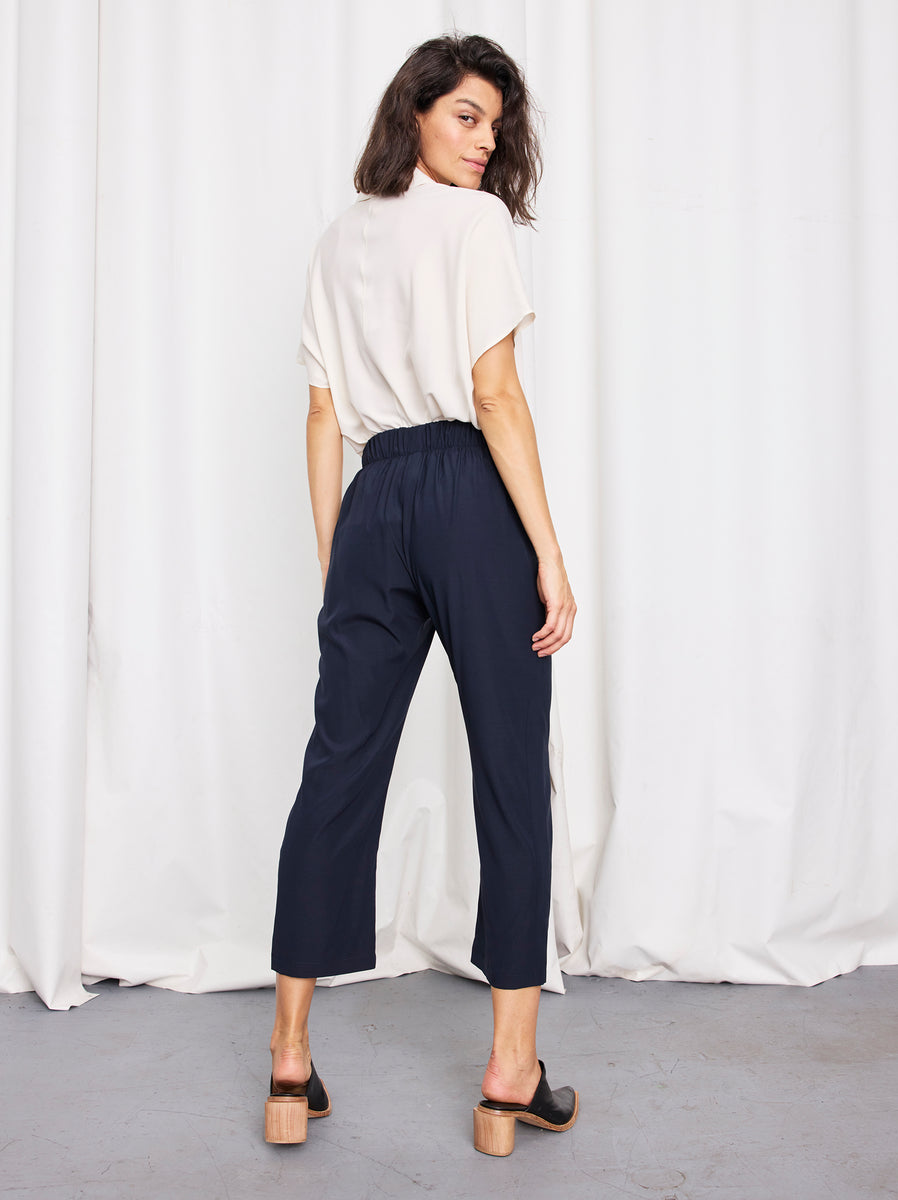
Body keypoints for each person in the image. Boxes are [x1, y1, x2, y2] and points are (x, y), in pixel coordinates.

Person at [265, 33, 578, 1157]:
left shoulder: (337, 238)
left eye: (496, 123)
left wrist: (334, 557)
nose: (487, 140)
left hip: (372, 495)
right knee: (509, 770)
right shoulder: (474, 226)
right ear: (415, 114)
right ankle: (509, 1075)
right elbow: (495, 395)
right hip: (463, 487)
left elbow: (318, 415)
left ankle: (290, 1062)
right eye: (466, 116)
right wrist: (546, 547)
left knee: (336, 766)